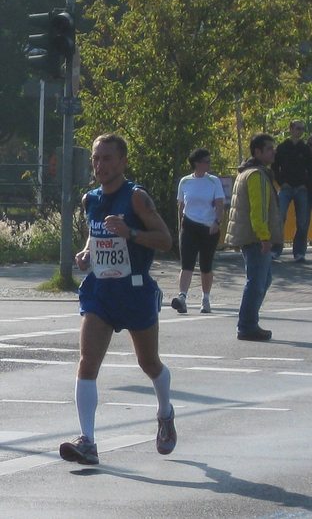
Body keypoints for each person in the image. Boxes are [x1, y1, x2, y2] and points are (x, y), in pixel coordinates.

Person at [60, 133, 175, 466]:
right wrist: (86, 254)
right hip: (101, 291)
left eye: (107, 158)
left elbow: (166, 240)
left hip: (135, 291)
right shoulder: (90, 199)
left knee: (148, 363)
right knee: (87, 362)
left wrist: (133, 233)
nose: (100, 165)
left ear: (123, 161)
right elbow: (95, 237)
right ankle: (88, 441)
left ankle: (165, 411)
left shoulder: (137, 198)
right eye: (96, 158)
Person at [225, 133, 283, 342]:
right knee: (257, 282)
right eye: (269, 149)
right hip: (255, 237)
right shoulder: (256, 175)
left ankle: (249, 323)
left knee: (262, 279)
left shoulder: (248, 172)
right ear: (257, 152)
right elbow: (258, 210)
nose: (273, 152)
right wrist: (264, 236)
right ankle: (247, 325)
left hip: (251, 236)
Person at [171, 148, 225, 314]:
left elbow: (220, 203)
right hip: (189, 225)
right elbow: (181, 205)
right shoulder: (185, 182)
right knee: (187, 263)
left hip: (209, 227)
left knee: (205, 265)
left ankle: (206, 298)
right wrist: (180, 224)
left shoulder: (213, 181)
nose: (209, 164)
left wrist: (217, 221)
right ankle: (182, 297)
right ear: (197, 163)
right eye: (206, 161)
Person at [273, 120, 312, 262]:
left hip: (301, 189)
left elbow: (311, 169)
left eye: (302, 129)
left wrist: (305, 184)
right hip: (286, 188)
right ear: (290, 129)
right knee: (279, 218)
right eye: (297, 128)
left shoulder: (305, 148)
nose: (300, 131)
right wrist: (281, 182)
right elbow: (274, 166)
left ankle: (299, 252)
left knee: (302, 221)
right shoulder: (283, 147)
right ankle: (276, 249)